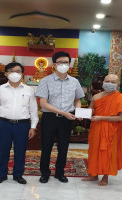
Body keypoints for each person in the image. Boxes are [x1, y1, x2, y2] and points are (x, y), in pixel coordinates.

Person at [36, 51, 85, 183]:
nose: (63, 65)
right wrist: (63, 113)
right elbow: (43, 103)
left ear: (69, 64)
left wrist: (78, 110)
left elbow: (78, 100)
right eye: (60, 62)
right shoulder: (45, 81)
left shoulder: (74, 81)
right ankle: (45, 173)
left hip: (66, 120)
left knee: (63, 147)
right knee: (46, 147)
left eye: (66, 62)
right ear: (54, 64)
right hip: (50, 118)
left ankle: (60, 173)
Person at [0, 62, 39, 184]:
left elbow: (33, 110)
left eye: (18, 71)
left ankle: (18, 175)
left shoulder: (29, 90)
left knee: (20, 151)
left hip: (23, 125)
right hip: (3, 124)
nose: (14, 73)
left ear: (22, 74)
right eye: (11, 71)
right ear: (6, 74)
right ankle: (2, 174)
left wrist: (33, 127)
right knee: (3, 151)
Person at [81, 74, 122, 186]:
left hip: (112, 130)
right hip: (96, 128)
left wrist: (101, 118)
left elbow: (120, 117)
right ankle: (93, 174)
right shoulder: (96, 97)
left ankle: (105, 177)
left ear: (118, 84)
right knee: (94, 150)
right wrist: (83, 114)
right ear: (103, 82)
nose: (109, 83)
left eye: (113, 82)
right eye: (107, 81)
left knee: (108, 153)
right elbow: (91, 110)